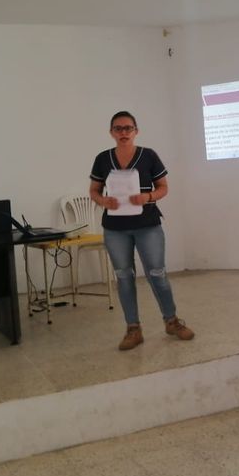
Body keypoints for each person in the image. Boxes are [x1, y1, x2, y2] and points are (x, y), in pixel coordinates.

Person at [89, 111, 193, 351]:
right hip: (115, 229)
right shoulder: (102, 159)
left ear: (136, 131)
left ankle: (171, 321)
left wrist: (148, 197)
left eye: (128, 128)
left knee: (157, 273)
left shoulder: (149, 156)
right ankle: (133, 329)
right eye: (118, 128)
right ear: (111, 132)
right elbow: (94, 190)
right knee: (124, 277)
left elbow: (163, 187)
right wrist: (103, 201)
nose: (123, 132)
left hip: (148, 226)